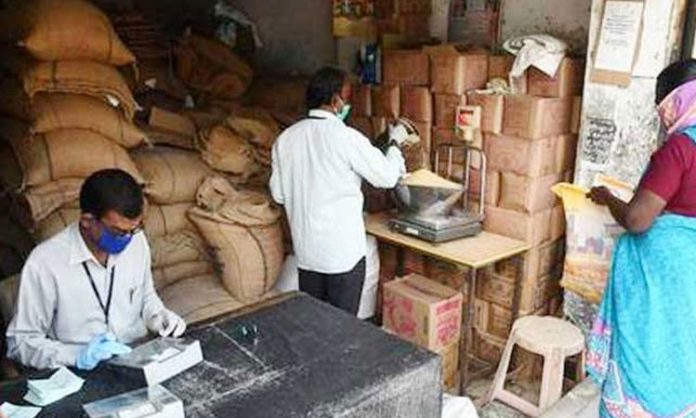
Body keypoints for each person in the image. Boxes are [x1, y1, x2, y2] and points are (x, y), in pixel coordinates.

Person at [586, 59, 696, 417]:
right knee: (681, 352)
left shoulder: (680, 149)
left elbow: (637, 219)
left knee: (644, 353)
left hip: (660, 282)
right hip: (688, 283)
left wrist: (607, 198)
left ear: (681, 101)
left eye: (664, 108)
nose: (662, 118)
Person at [6, 169, 186, 370]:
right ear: (87, 221)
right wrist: (77, 356)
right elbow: (20, 342)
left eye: (134, 229)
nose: (127, 238)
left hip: (138, 357)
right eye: (118, 232)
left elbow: (144, 295)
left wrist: (159, 316)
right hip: (81, 371)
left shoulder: (136, 241)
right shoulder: (46, 263)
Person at [269, 67, 410, 315]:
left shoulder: (285, 139)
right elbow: (387, 177)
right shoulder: (346, 138)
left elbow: (279, 194)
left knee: (317, 326)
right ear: (335, 100)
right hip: (342, 257)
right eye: (347, 97)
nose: (348, 104)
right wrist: (395, 142)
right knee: (343, 330)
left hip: (308, 255)